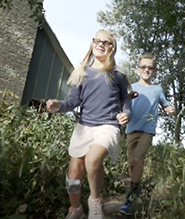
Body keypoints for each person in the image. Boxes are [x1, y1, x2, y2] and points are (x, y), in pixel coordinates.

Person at [46, 29, 131, 219]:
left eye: (107, 42)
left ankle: (95, 203)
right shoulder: (82, 73)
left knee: (93, 159)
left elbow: (125, 99)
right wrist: (58, 106)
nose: (101, 44)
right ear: (92, 44)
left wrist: (126, 113)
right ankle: (75, 209)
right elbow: (72, 102)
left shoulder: (118, 74)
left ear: (112, 48)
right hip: (84, 127)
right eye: (98, 41)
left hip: (107, 126)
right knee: (73, 176)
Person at [119, 54, 175, 215]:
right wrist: (127, 99)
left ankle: (130, 199)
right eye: (143, 67)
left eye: (150, 68)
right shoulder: (132, 87)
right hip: (131, 129)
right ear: (138, 70)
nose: (146, 70)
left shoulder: (157, 90)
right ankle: (137, 193)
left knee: (138, 159)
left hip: (147, 130)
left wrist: (170, 108)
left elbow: (166, 104)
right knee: (132, 164)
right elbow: (122, 104)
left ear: (154, 71)